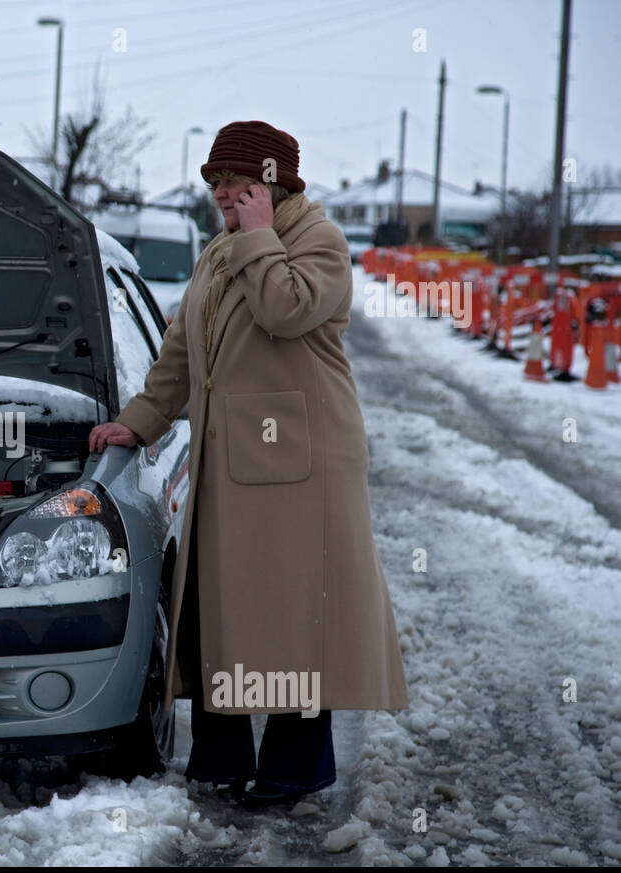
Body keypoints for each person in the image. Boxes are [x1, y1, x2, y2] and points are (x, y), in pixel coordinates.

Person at [89, 120, 408, 809]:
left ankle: (295, 768)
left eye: (239, 188)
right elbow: (181, 351)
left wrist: (257, 235)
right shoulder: (218, 252)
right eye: (218, 189)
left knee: (294, 615)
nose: (226, 200)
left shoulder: (317, 240)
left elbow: (285, 310)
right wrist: (138, 421)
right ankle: (220, 758)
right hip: (230, 460)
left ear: (275, 187)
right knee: (222, 611)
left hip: (304, 465)